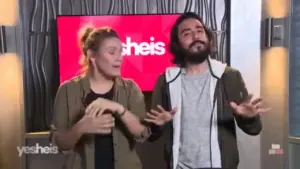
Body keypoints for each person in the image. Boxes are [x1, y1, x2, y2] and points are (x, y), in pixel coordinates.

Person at [144, 12, 270, 169]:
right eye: (186, 33)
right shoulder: (166, 80)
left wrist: (249, 118)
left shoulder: (229, 76)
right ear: (177, 44)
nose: (195, 36)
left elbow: (255, 130)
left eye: (199, 30)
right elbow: (150, 134)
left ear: (208, 37)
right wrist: (157, 125)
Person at [50, 26, 150, 169]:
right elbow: (59, 144)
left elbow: (143, 133)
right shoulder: (67, 90)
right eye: (111, 52)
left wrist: (118, 109)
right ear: (92, 55)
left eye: (121, 52)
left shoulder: (130, 88)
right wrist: (80, 128)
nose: (119, 58)